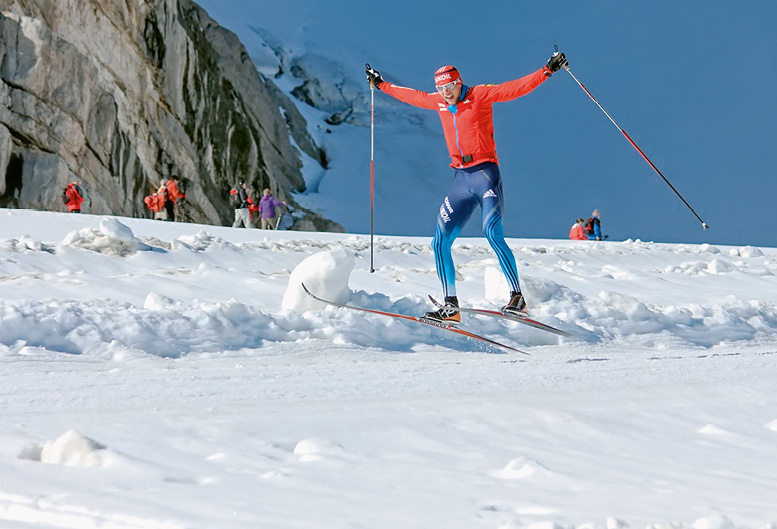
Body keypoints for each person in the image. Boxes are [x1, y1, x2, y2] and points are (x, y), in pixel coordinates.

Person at [365, 50, 568, 325]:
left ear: (459, 82)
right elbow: (411, 95)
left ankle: (517, 299)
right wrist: (381, 85)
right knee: (439, 242)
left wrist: (547, 70)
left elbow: (514, 89)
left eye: (449, 87)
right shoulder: (438, 102)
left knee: (491, 232)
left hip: (485, 173)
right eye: (440, 88)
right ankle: (451, 306)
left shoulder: (480, 95)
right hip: (461, 179)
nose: (445, 93)